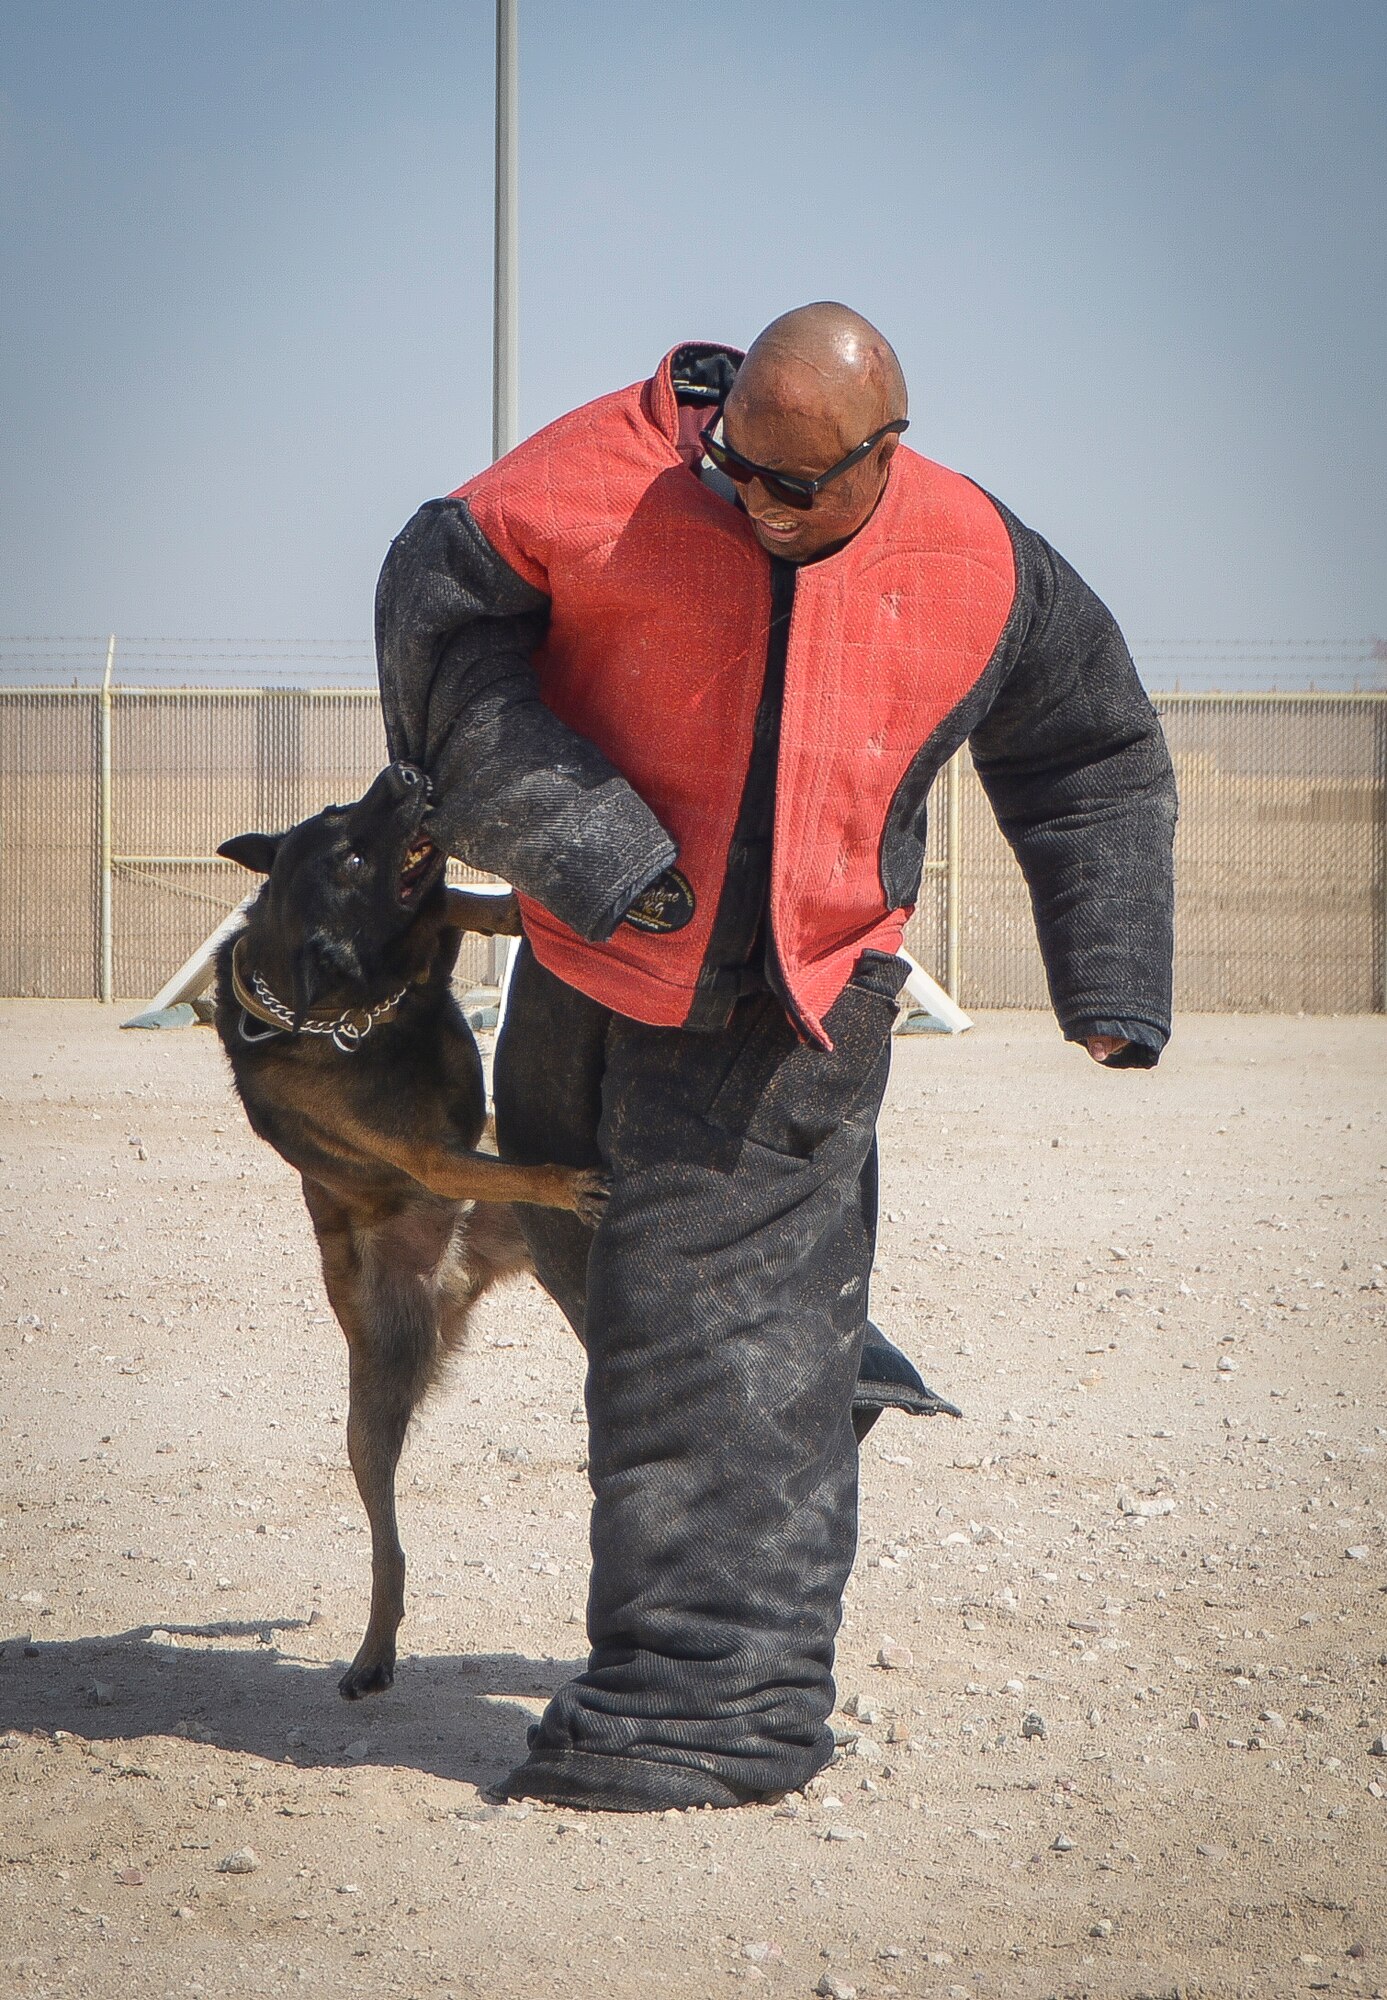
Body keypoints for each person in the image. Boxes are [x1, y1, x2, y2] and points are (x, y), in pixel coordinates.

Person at [375, 303, 1176, 1813]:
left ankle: (704, 1706)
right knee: (582, 1251)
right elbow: (438, 619)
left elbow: (1091, 747)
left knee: (694, 1327)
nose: (755, 506)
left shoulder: (978, 560)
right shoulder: (610, 475)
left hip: (795, 1006)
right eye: (738, 469)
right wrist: (582, 838)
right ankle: (799, 1366)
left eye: (798, 488)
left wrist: (1113, 973)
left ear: (886, 451)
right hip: (588, 955)